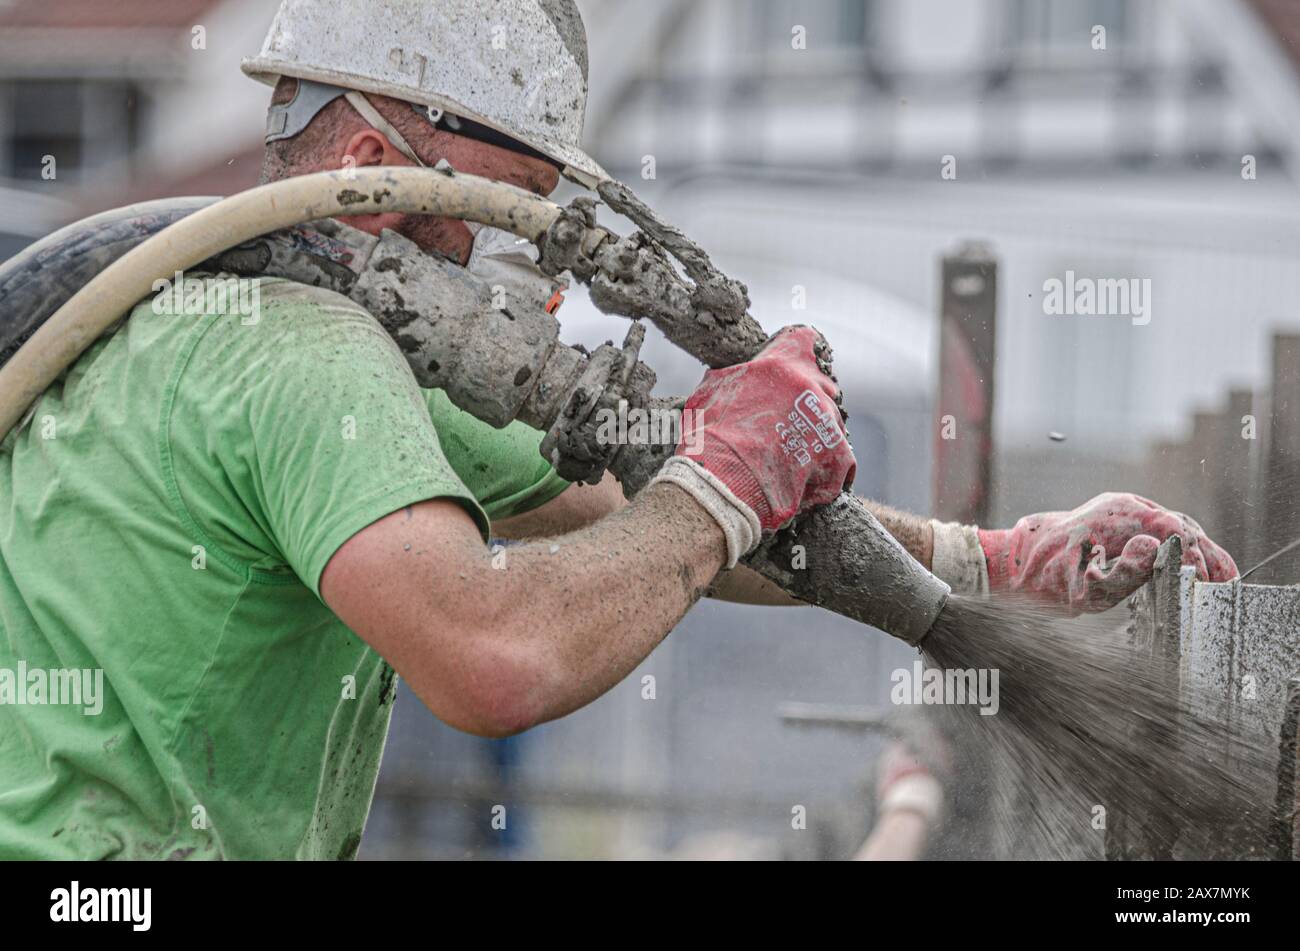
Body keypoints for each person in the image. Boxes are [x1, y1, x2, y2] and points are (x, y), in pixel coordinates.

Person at [0, 0, 1235, 860]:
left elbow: (612, 516)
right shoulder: (297, 353)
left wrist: (997, 561)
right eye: (514, 210)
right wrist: (718, 491)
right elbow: (494, 655)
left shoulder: (201, 318)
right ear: (376, 171)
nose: (543, 276)